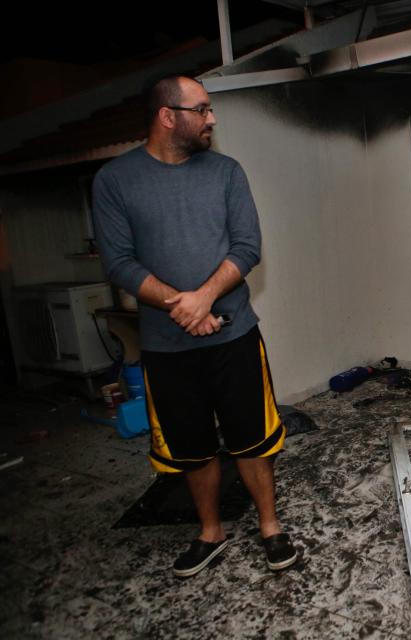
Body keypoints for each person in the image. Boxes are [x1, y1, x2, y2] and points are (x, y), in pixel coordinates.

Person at [93, 75, 296, 577]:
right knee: (192, 445)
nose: (212, 118)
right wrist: (179, 306)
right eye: (201, 109)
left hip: (235, 335)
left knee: (251, 436)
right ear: (168, 116)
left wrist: (202, 297)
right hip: (166, 347)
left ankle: (270, 526)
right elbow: (118, 261)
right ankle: (211, 532)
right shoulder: (115, 181)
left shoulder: (226, 172)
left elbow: (247, 246)